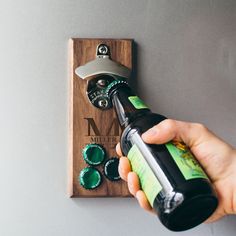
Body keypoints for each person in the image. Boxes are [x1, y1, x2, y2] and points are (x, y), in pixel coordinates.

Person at [116, 119, 236, 223]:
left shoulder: (146, 125)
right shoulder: (131, 133)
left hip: (200, 189)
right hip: (202, 193)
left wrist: (231, 176)